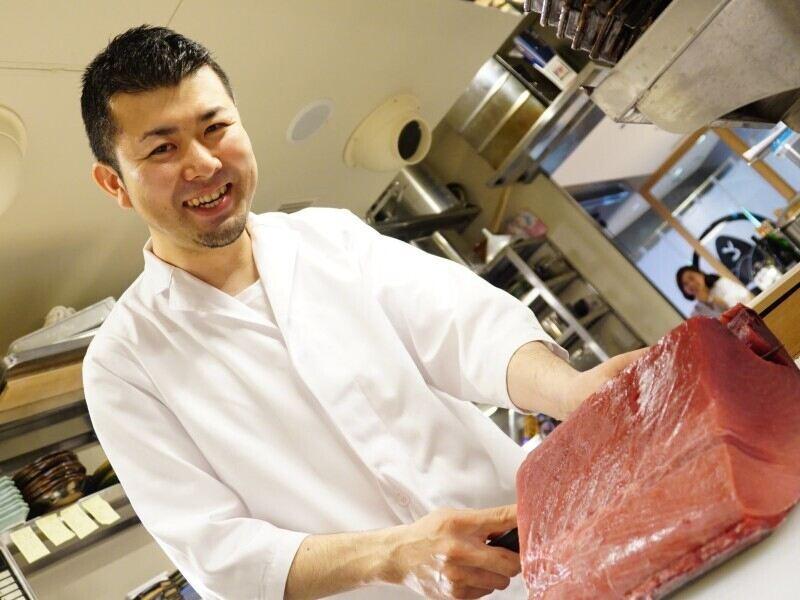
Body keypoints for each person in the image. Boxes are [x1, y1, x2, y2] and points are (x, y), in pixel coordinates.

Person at [80, 26, 643, 600]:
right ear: (114, 183)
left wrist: (570, 391)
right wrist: (395, 557)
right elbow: (220, 555)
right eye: (162, 149)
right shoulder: (123, 365)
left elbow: (464, 327)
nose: (202, 164)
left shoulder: (328, 237)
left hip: (546, 553)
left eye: (215, 127)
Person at [676, 266, 754, 318]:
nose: (691, 284)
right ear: (684, 291)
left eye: (691, 278)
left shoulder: (722, 284)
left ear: (701, 274)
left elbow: (740, 305)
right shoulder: (696, 313)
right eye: (685, 284)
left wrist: (709, 299)